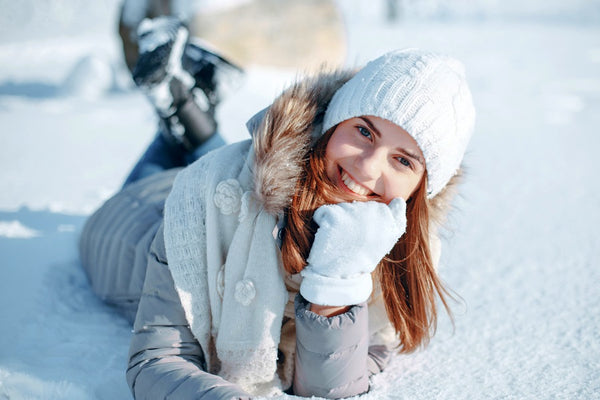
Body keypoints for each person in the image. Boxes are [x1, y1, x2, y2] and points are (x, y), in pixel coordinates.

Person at [79, 17, 475, 400]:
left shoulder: (404, 256)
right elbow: (158, 358)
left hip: (221, 179)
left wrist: (338, 278)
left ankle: (187, 110)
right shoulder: (204, 196)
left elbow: (328, 388)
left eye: (403, 161)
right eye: (364, 131)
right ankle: (181, 112)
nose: (368, 166)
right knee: (172, 177)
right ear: (332, 123)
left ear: (422, 189)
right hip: (137, 224)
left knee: (227, 166)